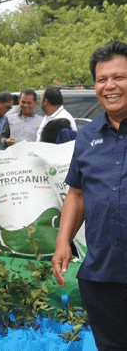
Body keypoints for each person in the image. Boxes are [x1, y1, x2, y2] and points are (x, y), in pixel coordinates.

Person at [53, 41, 127, 351]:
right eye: (102, 79)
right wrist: (62, 241)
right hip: (101, 274)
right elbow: (77, 193)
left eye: (119, 77)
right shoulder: (86, 136)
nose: (109, 86)